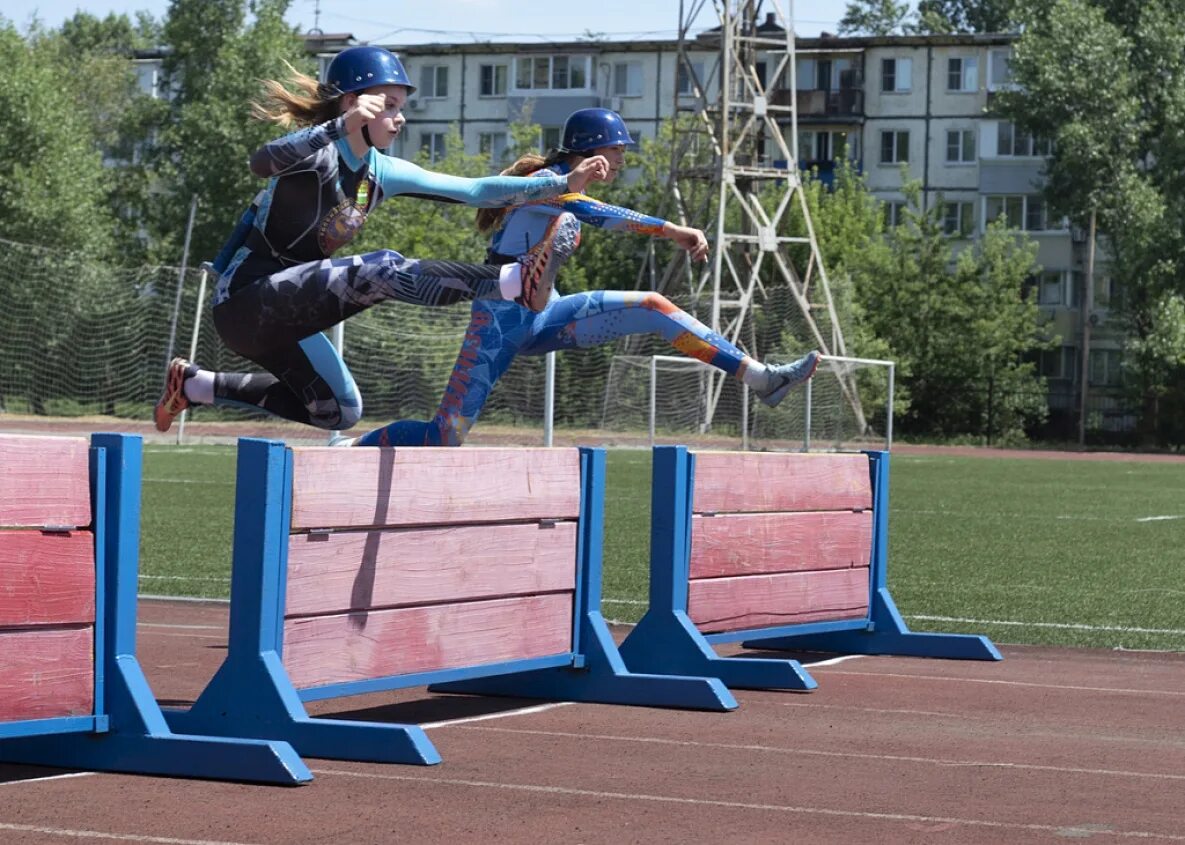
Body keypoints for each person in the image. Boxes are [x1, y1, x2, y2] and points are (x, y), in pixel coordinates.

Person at [152, 46, 608, 433]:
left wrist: (560, 183)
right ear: (353, 103)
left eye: (400, 105)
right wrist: (338, 126)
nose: (400, 117)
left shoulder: (379, 170)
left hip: (288, 312)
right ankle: (515, 281)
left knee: (340, 411)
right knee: (381, 270)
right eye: (388, 105)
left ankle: (195, 385)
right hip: (246, 301)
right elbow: (261, 161)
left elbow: (475, 190)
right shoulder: (317, 156)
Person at [346, 108, 819, 448]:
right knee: (444, 436)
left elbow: (588, 209)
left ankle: (761, 379)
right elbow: (596, 214)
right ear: (593, 151)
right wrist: (672, 229)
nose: (622, 159)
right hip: (498, 318)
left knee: (653, 306)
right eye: (618, 149)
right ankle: (355, 450)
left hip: (545, 313)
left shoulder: (566, 184)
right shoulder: (549, 183)